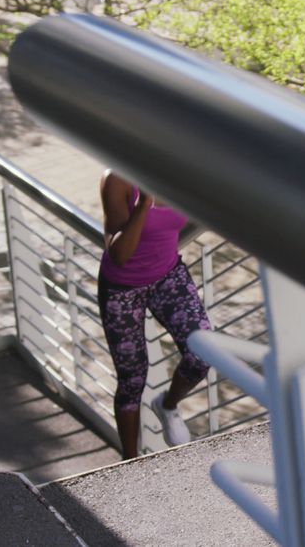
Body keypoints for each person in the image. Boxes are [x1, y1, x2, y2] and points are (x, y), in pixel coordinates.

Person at [97, 170, 211, 459]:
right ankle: (130, 460)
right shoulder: (117, 180)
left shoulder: (179, 169)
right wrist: (144, 203)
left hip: (167, 275)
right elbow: (119, 254)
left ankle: (168, 405)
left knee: (203, 353)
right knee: (132, 379)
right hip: (122, 287)